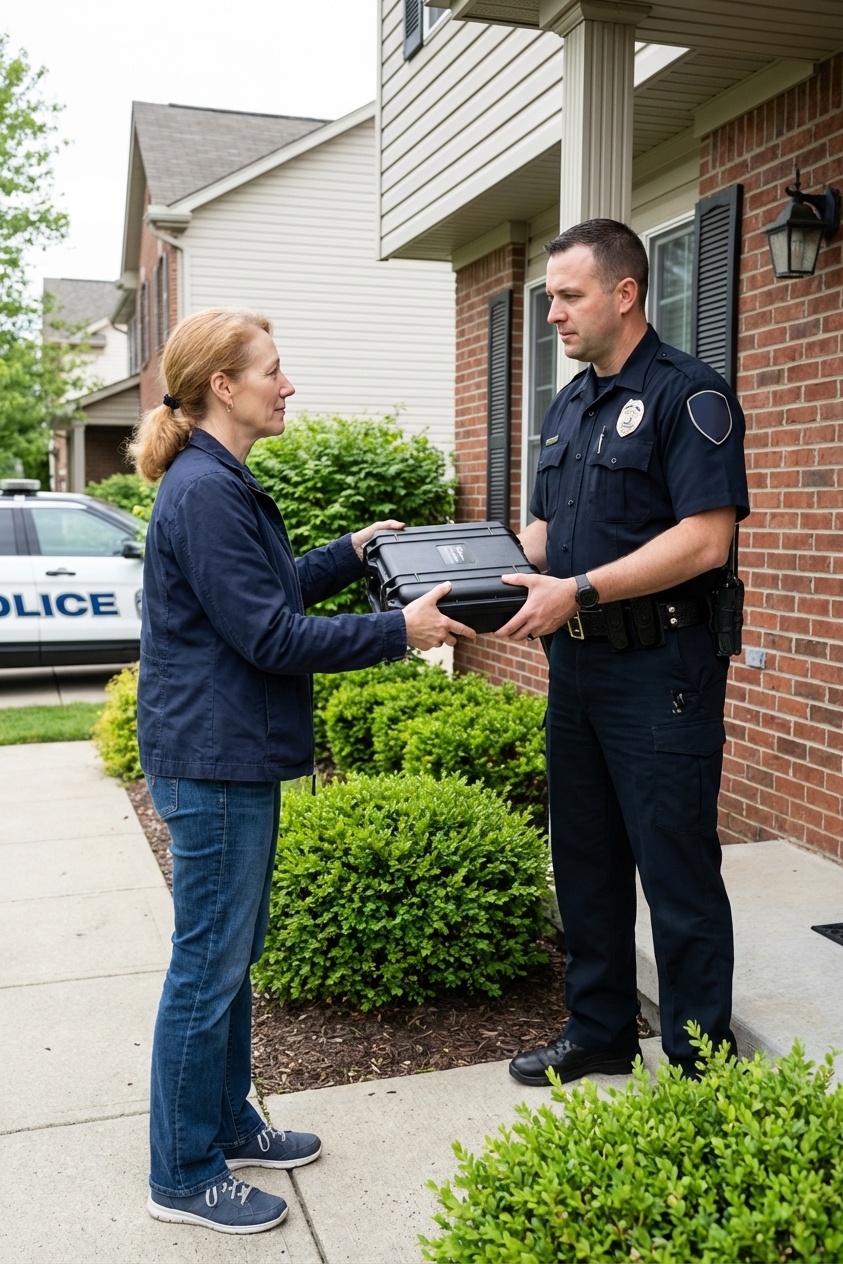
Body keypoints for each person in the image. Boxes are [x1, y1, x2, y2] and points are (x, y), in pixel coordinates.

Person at [131, 307, 474, 1234]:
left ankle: (228, 1120)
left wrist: (354, 549)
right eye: (274, 370)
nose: (288, 385)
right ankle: (182, 1173)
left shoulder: (219, 483)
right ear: (223, 388)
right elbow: (269, 635)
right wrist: (400, 630)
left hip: (224, 754)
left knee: (229, 959)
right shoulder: (204, 491)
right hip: (214, 762)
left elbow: (268, 588)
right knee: (207, 966)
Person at [497, 219, 749, 1085]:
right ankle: (599, 1032)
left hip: (662, 674)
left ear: (624, 293)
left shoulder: (691, 396)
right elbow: (542, 535)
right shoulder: (568, 404)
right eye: (549, 300)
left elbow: (705, 540)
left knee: (675, 871)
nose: (553, 318)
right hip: (576, 670)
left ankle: (696, 1065)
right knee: (586, 862)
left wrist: (584, 588)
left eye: (568, 297)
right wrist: (461, 567)